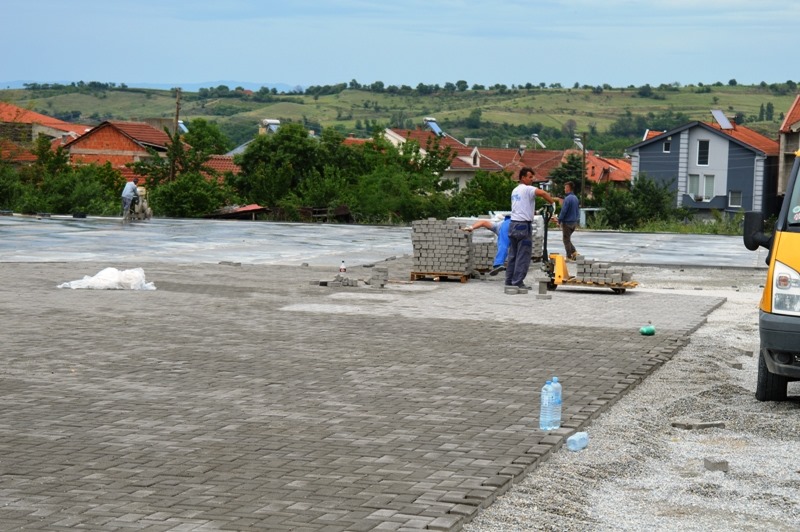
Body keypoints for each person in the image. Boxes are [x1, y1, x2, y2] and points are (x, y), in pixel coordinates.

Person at [505, 167, 561, 293]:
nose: (532, 179)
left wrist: (535, 212)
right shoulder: (527, 189)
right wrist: (553, 203)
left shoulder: (515, 190)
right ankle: (518, 282)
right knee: (523, 255)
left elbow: (522, 207)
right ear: (523, 177)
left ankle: (509, 281)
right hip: (523, 226)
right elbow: (543, 193)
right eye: (530, 177)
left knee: (513, 255)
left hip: (513, 224)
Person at [558, 181, 580, 260]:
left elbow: (564, 211)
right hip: (574, 222)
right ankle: (574, 253)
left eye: (565, 187)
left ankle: (569, 256)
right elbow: (577, 210)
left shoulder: (567, 199)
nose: (564, 189)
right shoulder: (575, 198)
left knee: (566, 240)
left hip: (567, 223)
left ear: (568, 188)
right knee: (568, 239)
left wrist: (559, 220)